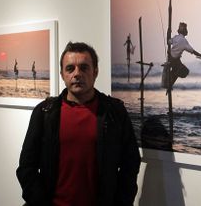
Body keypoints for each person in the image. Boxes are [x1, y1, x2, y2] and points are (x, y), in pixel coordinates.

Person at [16, 41, 141, 206]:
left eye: (84, 68)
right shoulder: (44, 112)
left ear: (95, 72)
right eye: (70, 68)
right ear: (62, 74)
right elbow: (26, 167)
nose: (77, 74)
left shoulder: (115, 112)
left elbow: (130, 163)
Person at [167, 22, 201, 89]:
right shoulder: (184, 41)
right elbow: (194, 52)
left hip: (171, 58)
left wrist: (168, 33)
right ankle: (170, 81)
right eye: (186, 29)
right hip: (174, 60)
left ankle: (170, 82)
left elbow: (168, 42)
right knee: (185, 72)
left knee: (177, 70)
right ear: (185, 32)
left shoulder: (175, 37)